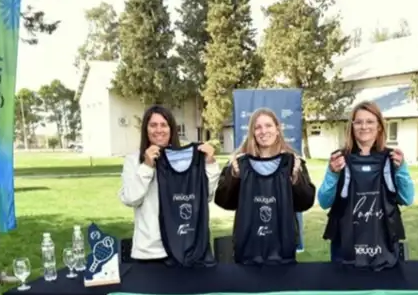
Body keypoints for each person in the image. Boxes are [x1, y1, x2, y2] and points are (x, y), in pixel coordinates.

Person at [317, 101, 415, 264]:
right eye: (358, 122)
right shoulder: (339, 159)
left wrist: (400, 170)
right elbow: (324, 202)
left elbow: (407, 198)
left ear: (379, 126)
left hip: (384, 247)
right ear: (352, 126)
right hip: (346, 248)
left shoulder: (392, 159)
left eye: (370, 121)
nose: (364, 127)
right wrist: (333, 174)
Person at [119, 105, 219, 261]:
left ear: (171, 129)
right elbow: (130, 198)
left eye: (163, 125)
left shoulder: (186, 160)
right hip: (150, 251)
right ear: (146, 129)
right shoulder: (133, 160)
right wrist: (147, 166)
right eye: (153, 125)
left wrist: (210, 164)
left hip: (185, 247)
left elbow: (205, 196)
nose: (159, 130)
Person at [214, 108, 316, 260]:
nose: (263, 131)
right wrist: (234, 177)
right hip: (248, 249)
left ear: (277, 129)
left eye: (268, 125)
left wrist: (296, 180)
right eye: (258, 127)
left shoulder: (292, 163)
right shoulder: (239, 163)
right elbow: (223, 201)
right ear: (252, 132)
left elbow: (305, 203)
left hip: (282, 249)